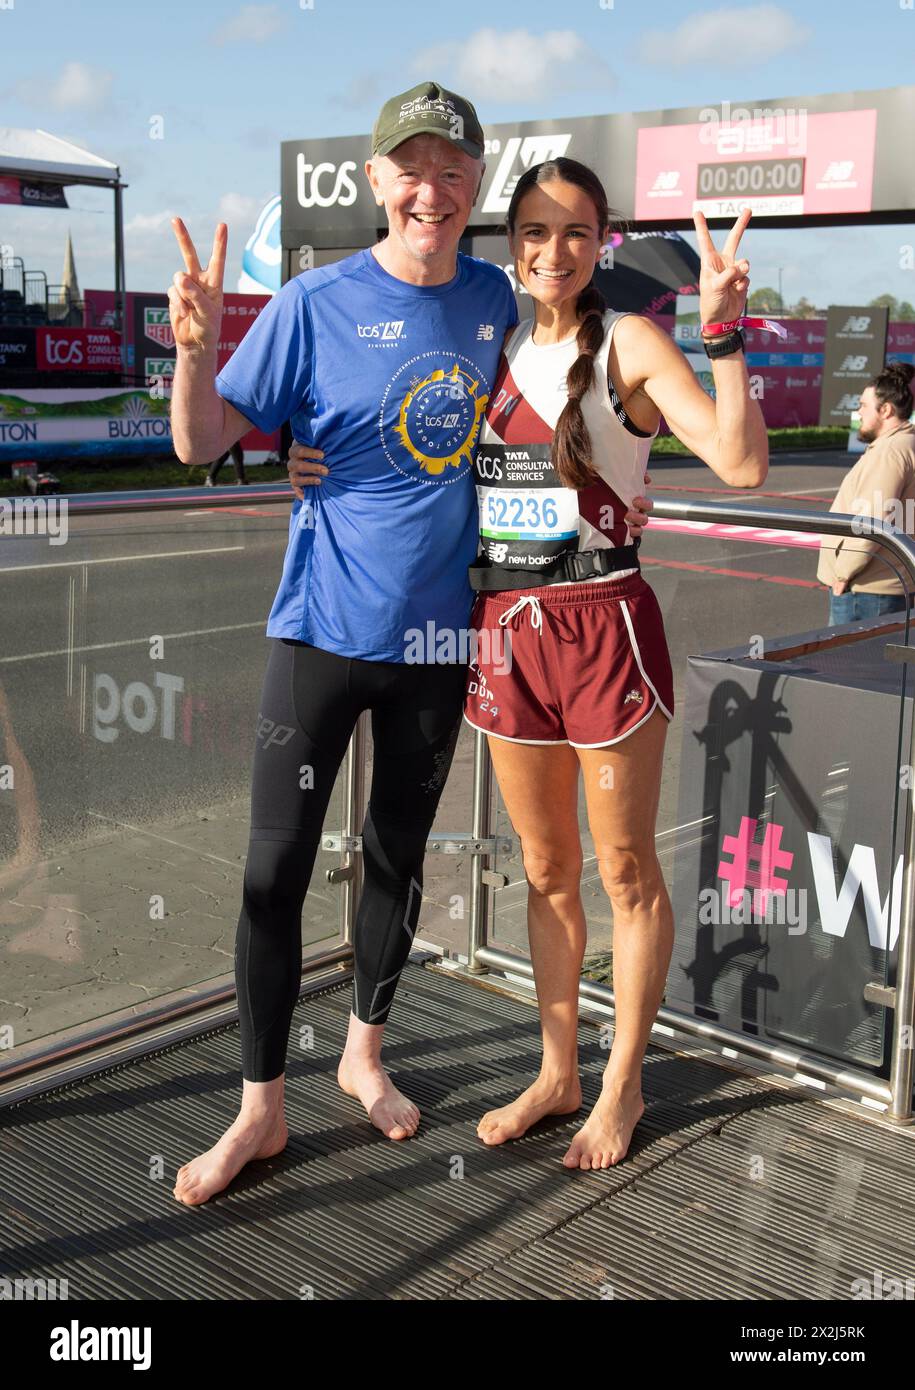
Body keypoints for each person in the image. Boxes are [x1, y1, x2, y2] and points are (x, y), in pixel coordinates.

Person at [166, 82, 653, 1207]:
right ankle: (260, 1106)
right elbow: (199, 442)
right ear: (377, 182)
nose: (429, 190)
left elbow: (604, 382)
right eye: (409, 168)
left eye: (451, 171)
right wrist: (194, 351)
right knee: (272, 870)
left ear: (473, 186)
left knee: (395, 860)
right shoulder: (310, 301)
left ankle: (363, 1055)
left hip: (447, 640)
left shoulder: (504, 297)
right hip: (321, 630)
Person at [292, 157, 769, 1171]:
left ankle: (622, 1085)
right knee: (548, 871)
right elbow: (404, 438)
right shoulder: (492, 343)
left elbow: (740, 461)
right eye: (536, 233)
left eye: (576, 233)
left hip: (603, 625)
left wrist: (724, 332)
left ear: (605, 242)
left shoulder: (630, 341)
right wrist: (306, 455)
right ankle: (557, 1071)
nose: (554, 252)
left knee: (625, 869)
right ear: (515, 245)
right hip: (504, 631)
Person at [817, 362, 915, 625]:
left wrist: (843, 574)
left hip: (868, 590)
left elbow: (873, 518)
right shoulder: (905, 444)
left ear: (886, 410)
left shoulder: (890, 452)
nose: (857, 412)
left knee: (848, 665)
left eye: (862, 406)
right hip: (887, 583)